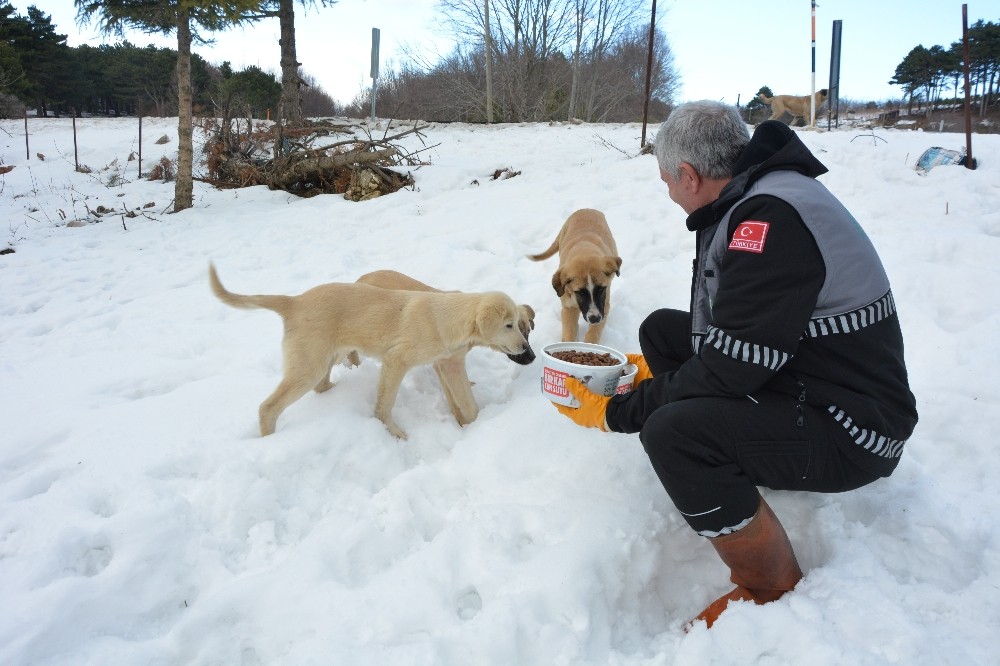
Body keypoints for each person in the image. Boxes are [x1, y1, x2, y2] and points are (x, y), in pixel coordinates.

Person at [554, 100, 918, 628]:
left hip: (857, 430)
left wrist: (621, 411)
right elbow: (734, 339)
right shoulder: (759, 193)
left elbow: (733, 366)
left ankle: (768, 582)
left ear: (689, 175)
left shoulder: (770, 223)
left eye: (666, 181)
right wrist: (657, 373)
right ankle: (739, 451)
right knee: (661, 329)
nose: (668, 192)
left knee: (673, 433)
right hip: (808, 375)